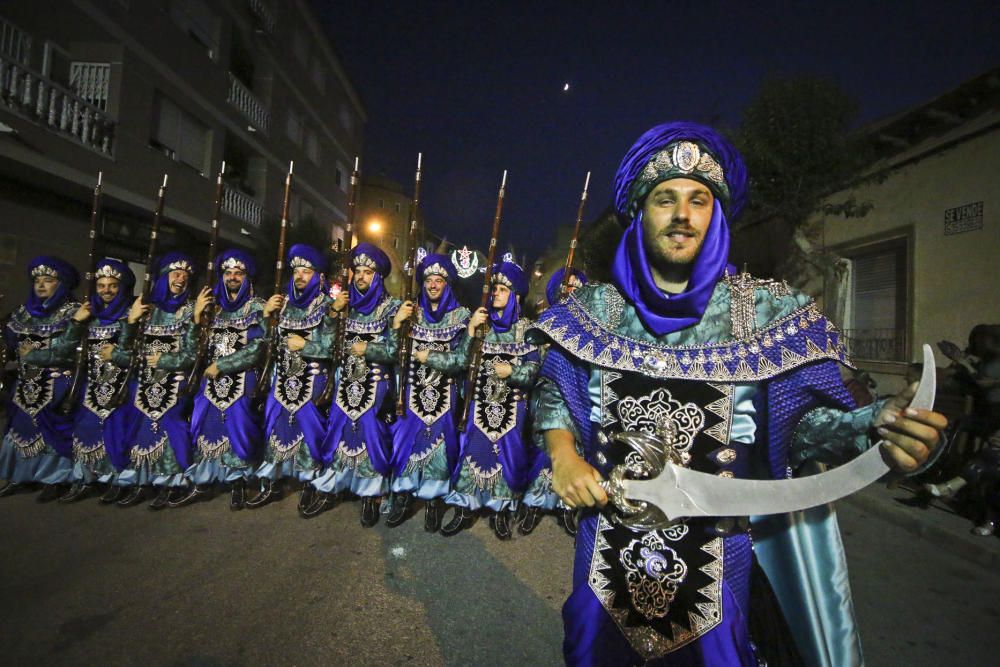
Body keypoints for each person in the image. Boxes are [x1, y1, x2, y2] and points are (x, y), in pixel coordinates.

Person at [529, 122, 947, 666]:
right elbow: (553, 392)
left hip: (718, 562)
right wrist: (562, 455)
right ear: (639, 212)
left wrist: (878, 428)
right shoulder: (591, 313)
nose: (683, 215)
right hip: (605, 554)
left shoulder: (771, 316)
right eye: (665, 199)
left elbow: (806, 429)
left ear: (717, 213)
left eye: (698, 199)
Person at [426, 261, 540, 540]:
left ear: (516, 297)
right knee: (472, 452)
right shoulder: (481, 325)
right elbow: (461, 361)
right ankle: (465, 507)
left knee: (508, 456)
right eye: (495, 290)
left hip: (513, 406)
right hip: (479, 404)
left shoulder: (528, 330)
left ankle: (501, 511)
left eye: (502, 290)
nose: (496, 294)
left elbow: (534, 370)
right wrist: (469, 331)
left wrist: (512, 370)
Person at [308, 243, 401, 526]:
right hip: (344, 381)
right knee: (337, 431)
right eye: (357, 271)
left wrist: (369, 350)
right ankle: (332, 485)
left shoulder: (391, 308)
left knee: (371, 433)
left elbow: (396, 352)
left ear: (379, 277)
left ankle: (372, 494)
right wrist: (333, 314)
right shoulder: (342, 307)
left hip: (376, 382)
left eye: (367, 272)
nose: (361, 277)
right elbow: (324, 347)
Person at [175, 249, 266, 509]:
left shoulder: (257, 307)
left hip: (242, 377)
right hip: (210, 379)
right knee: (204, 423)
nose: (233, 277)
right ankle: (203, 481)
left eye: (238, 273)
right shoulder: (212, 308)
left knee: (238, 422)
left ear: (247, 277)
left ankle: (238, 482)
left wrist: (224, 365)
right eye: (228, 273)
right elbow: (194, 349)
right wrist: (196, 318)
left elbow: (259, 347)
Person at [246, 244, 334, 509]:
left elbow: (333, 349)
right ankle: (272, 482)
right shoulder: (281, 304)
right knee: (275, 426)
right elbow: (267, 343)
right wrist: (265, 316)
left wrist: (305, 346)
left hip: (313, 377)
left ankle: (310, 482)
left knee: (309, 429)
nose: (300, 276)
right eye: (297, 271)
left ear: (319, 277)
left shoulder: (328, 306)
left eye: (307, 271)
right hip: (282, 377)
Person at [111, 252, 197, 509]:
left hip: (175, 383)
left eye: (184, 274)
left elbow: (192, 355)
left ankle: (173, 481)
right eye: (175, 273)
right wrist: (131, 321)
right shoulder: (145, 309)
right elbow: (124, 351)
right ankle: (141, 481)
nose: (180, 278)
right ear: (162, 277)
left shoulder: (192, 310)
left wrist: (164, 361)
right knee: (138, 428)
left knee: (169, 425)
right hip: (143, 382)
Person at [391, 253, 470, 530]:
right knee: (404, 444)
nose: (433, 285)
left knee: (440, 449)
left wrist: (431, 357)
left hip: (444, 396)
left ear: (447, 285)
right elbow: (392, 353)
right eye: (428, 281)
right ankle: (402, 497)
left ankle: (434, 501)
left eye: (439, 280)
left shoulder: (461, 317)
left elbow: (462, 361)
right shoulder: (411, 313)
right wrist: (397, 325)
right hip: (409, 394)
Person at [56, 259, 137, 503]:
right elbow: (64, 350)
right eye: (101, 285)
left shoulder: (131, 315)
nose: (106, 290)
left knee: (118, 435)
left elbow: (133, 355)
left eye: (112, 285)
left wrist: (130, 326)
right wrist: (76, 322)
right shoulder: (89, 314)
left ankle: (119, 480)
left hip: (121, 388)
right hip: (91, 386)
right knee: (85, 431)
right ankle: (85, 479)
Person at [0, 257, 80, 500]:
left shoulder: (73, 313)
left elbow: (69, 350)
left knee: (52, 431)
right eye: (37, 281)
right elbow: (10, 345)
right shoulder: (22, 314)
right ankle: (19, 475)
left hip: (56, 383)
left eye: (48, 280)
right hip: (25, 384)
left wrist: (36, 355)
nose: (41, 285)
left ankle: (54, 479)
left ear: (62, 283)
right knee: (20, 428)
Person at [521, 267, 588, 535]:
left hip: (578, 392)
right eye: (567, 285)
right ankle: (534, 503)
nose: (571, 289)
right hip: (546, 389)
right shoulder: (548, 320)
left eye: (576, 285)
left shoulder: (591, 323)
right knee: (544, 449)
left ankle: (568, 507)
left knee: (576, 450)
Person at [926, 324, 1000, 535]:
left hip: (992, 422)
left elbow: (986, 383)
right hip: (987, 420)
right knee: (991, 463)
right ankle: (989, 518)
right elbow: (950, 379)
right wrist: (959, 362)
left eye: (982, 340)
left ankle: (955, 489)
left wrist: (965, 364)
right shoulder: (983, 361)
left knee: (991, 459)